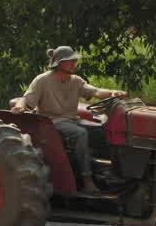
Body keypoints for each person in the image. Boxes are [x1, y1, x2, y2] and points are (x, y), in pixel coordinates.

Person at [11, 45, 125, 193]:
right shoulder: (42, 80)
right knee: (80, 133)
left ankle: (109, 171)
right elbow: (26, 99)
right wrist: (20, 106)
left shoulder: (75, 81)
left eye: (74, 61)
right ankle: (87, 180)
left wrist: (112, 92)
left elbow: (95, 91)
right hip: (52, 122)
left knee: (102, 130)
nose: (74, 64)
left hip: (72, 120)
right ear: (59, 63)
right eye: (70, 61)